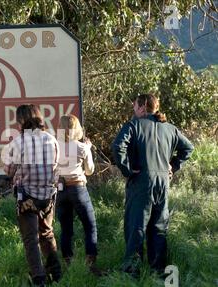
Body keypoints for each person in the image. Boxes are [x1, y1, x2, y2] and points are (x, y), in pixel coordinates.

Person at [112, 94, 194, 277]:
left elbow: (118, 146)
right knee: (159, 226)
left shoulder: (133, 125)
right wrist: (173, 166)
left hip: (141, 180)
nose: (133, 109)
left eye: (135, 105)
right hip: (163, 182)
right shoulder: (171, 129)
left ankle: (131, 271)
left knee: (136, 225)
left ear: (142, 107)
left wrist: (127, 170)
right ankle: (158, 271)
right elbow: (188, 148)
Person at [3, 104, 62, 287]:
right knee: (47, 232)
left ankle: (38, 279)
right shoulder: (51, 139)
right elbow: (56, 167)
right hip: (48, 196)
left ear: (21, 121)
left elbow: (10, 171)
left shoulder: (18, 143)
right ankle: (56, 272)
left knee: (30, 238)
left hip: (27, 197)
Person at [56, 115, 103, 276]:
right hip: (78, 188)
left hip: (60, 190)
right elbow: (90, 171)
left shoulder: (54, 146)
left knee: (66, 229)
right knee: (90, 226)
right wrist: (88, 148)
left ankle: (68, 264)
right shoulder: (82, 147)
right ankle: (90, 265)